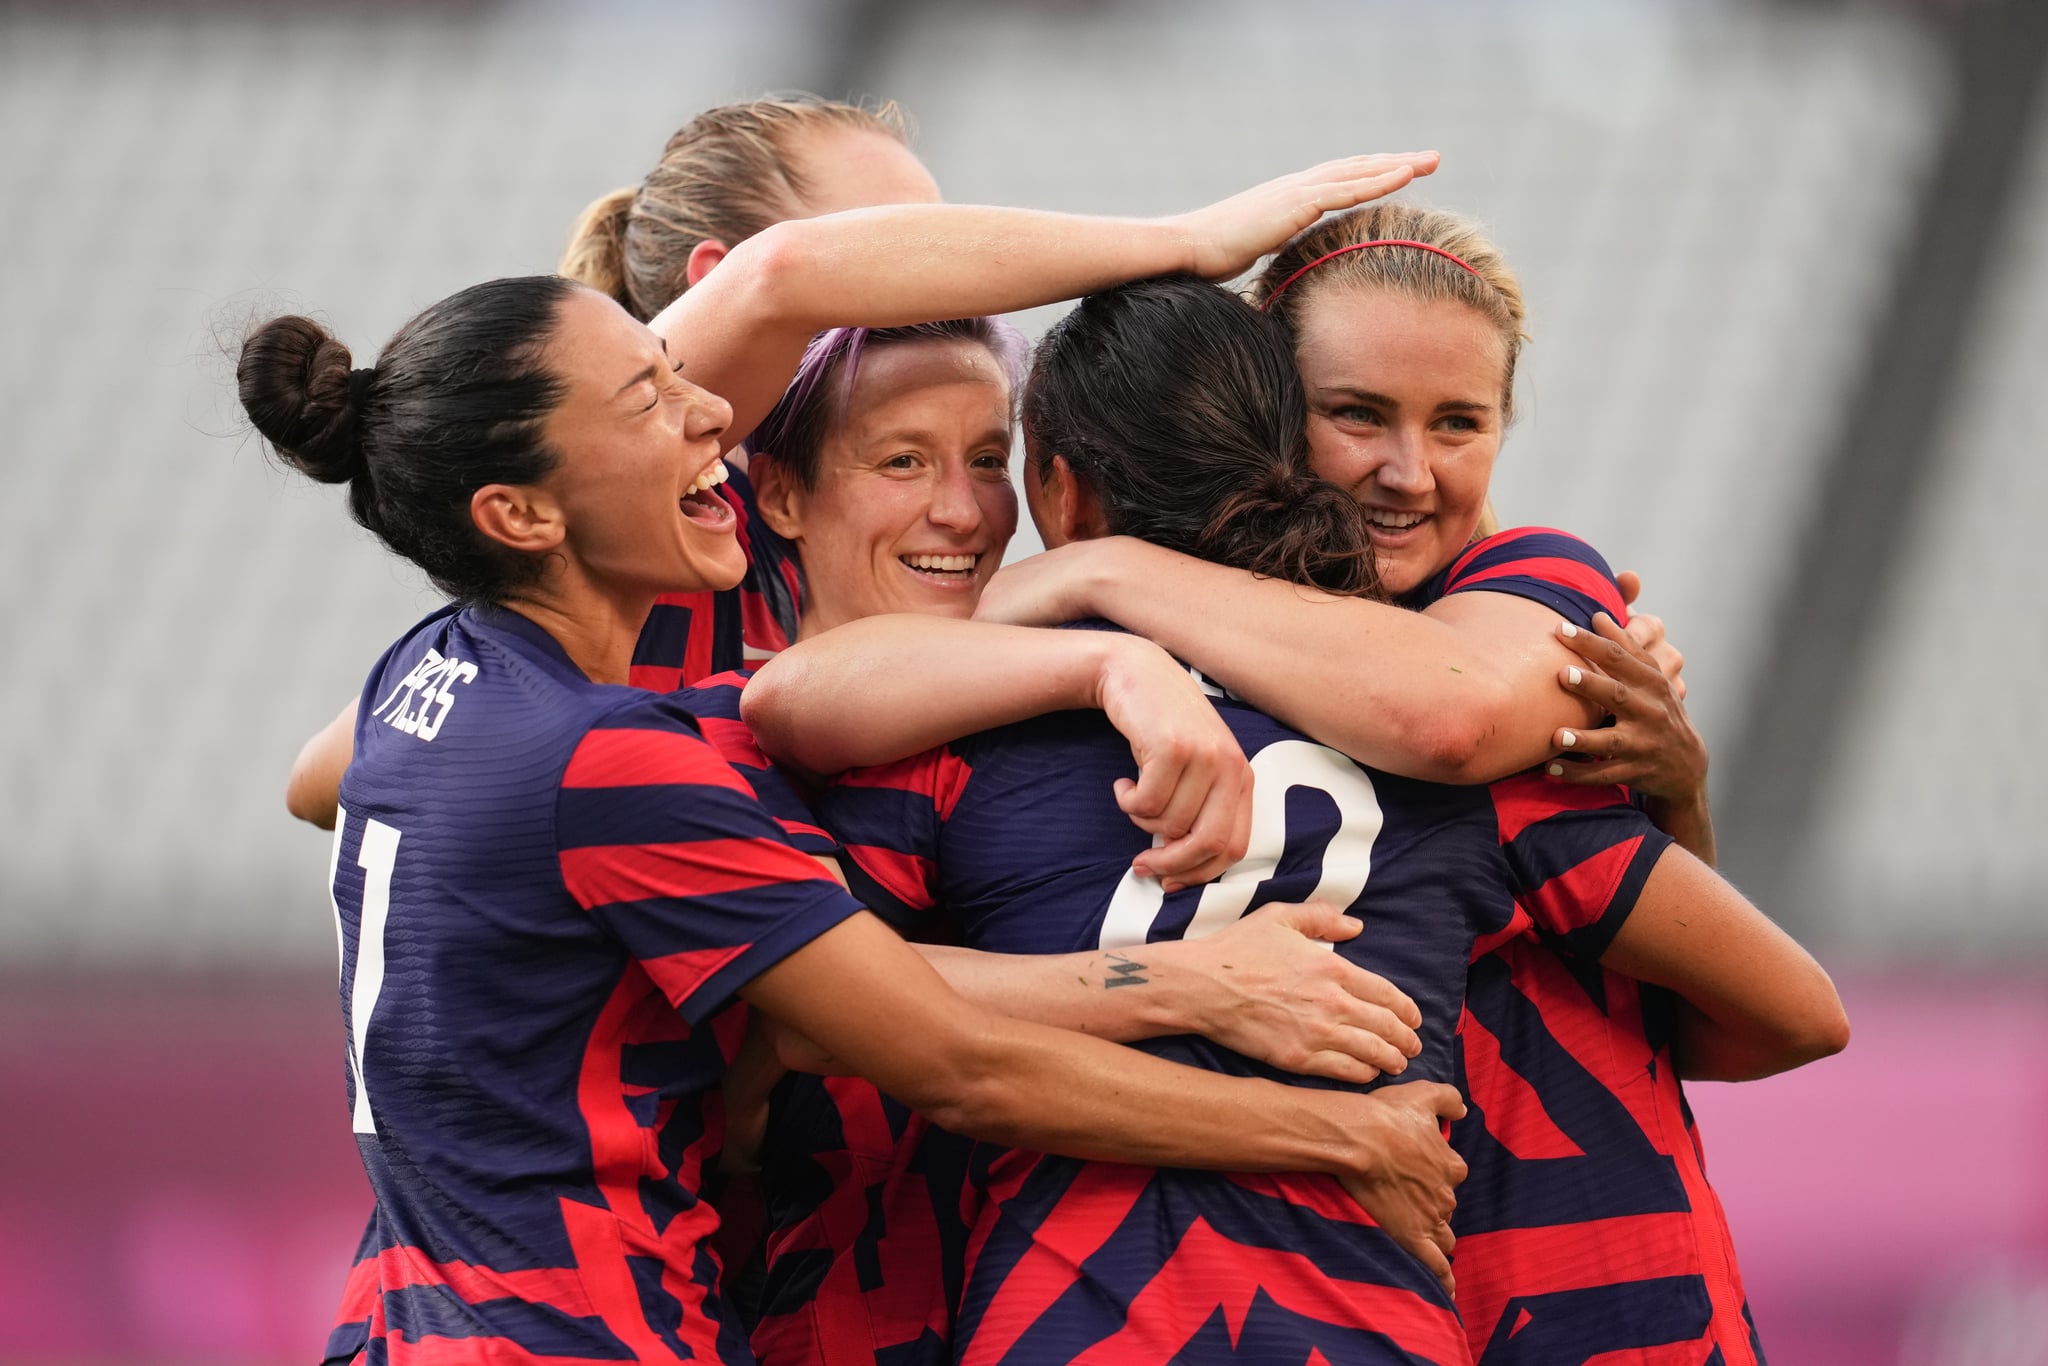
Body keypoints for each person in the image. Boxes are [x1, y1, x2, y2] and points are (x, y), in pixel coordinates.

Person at [252, 167, 1475, 1363]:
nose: (710, 415)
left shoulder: (427, 675)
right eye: (648, 396)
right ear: (517, 513)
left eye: (988, 457)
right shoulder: (622, 748)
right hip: (587, 1329)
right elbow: (944, 1058)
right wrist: (1313, 1110)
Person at [765, 204, 1849, 1363]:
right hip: (1399, 1288)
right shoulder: (1088, 674)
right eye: (1353, 414)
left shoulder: (1510, 619)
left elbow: (1449, 715)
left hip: (1547, 1277)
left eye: (1459, 423)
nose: (1405, 471)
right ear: (1270, 423)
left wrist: (1100, 576)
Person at [284, 95, 944, 827]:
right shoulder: (652, 544)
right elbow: (320, 779)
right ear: (716, 278)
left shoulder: (813, 519)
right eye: (900, 256)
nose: (953, 294)